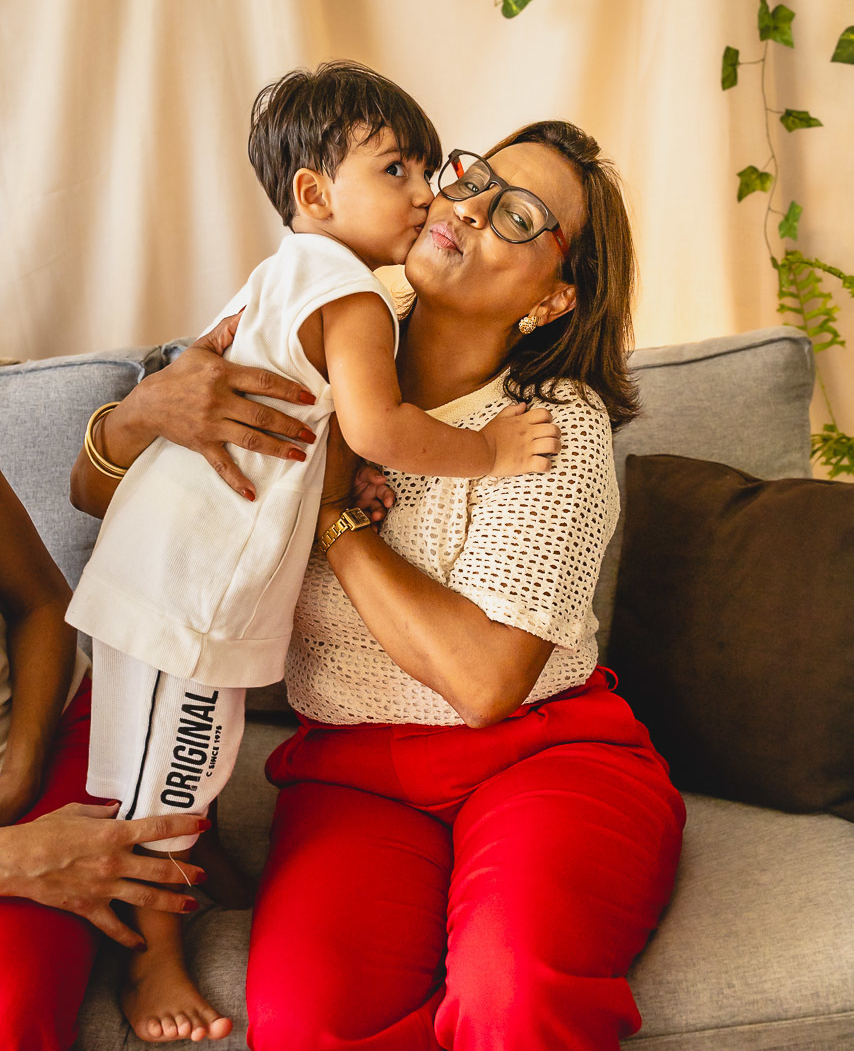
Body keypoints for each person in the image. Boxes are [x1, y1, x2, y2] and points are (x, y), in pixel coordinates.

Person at [71, 116, 687, 1050]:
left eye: (518, 215)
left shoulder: (551, 428)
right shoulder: (318, 325)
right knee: (306, 1022)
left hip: (542, 758)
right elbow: (91, 495)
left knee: (510, 998)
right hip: (355, 777)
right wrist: (141, 414)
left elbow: (485, 685)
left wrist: (335, 513)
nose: (470, 206)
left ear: (555, 297)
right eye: (472, 178)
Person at [0, 466, 210, 1051]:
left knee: (10, 1011)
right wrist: (12, 859)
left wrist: (20, 774)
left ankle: (153, 950)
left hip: (43, 735)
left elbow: (40, 601)